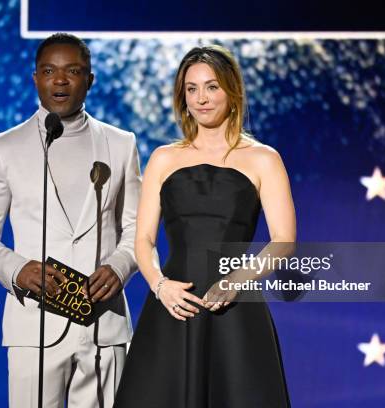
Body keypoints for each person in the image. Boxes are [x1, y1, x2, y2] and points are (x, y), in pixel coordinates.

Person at [0, 33, 141, 408]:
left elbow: (138, 228)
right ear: (35, 79)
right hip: (34, 323)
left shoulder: (121, 144)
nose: (60, 81)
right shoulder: (4, 147)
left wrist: (120, 266)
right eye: (49, 71)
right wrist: (17, 270)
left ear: (89, 80)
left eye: (72, 71)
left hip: (103, 325)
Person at [114, 45, 295, 407]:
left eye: (211, 87)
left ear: (232, 90)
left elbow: (284, 241)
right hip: (173, 307)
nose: (201, 98)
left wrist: (235, 282)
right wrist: (159, 285)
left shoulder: (263, 159)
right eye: (192, 89)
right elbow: (144, 238)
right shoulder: (164, 158)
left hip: (235, 308)